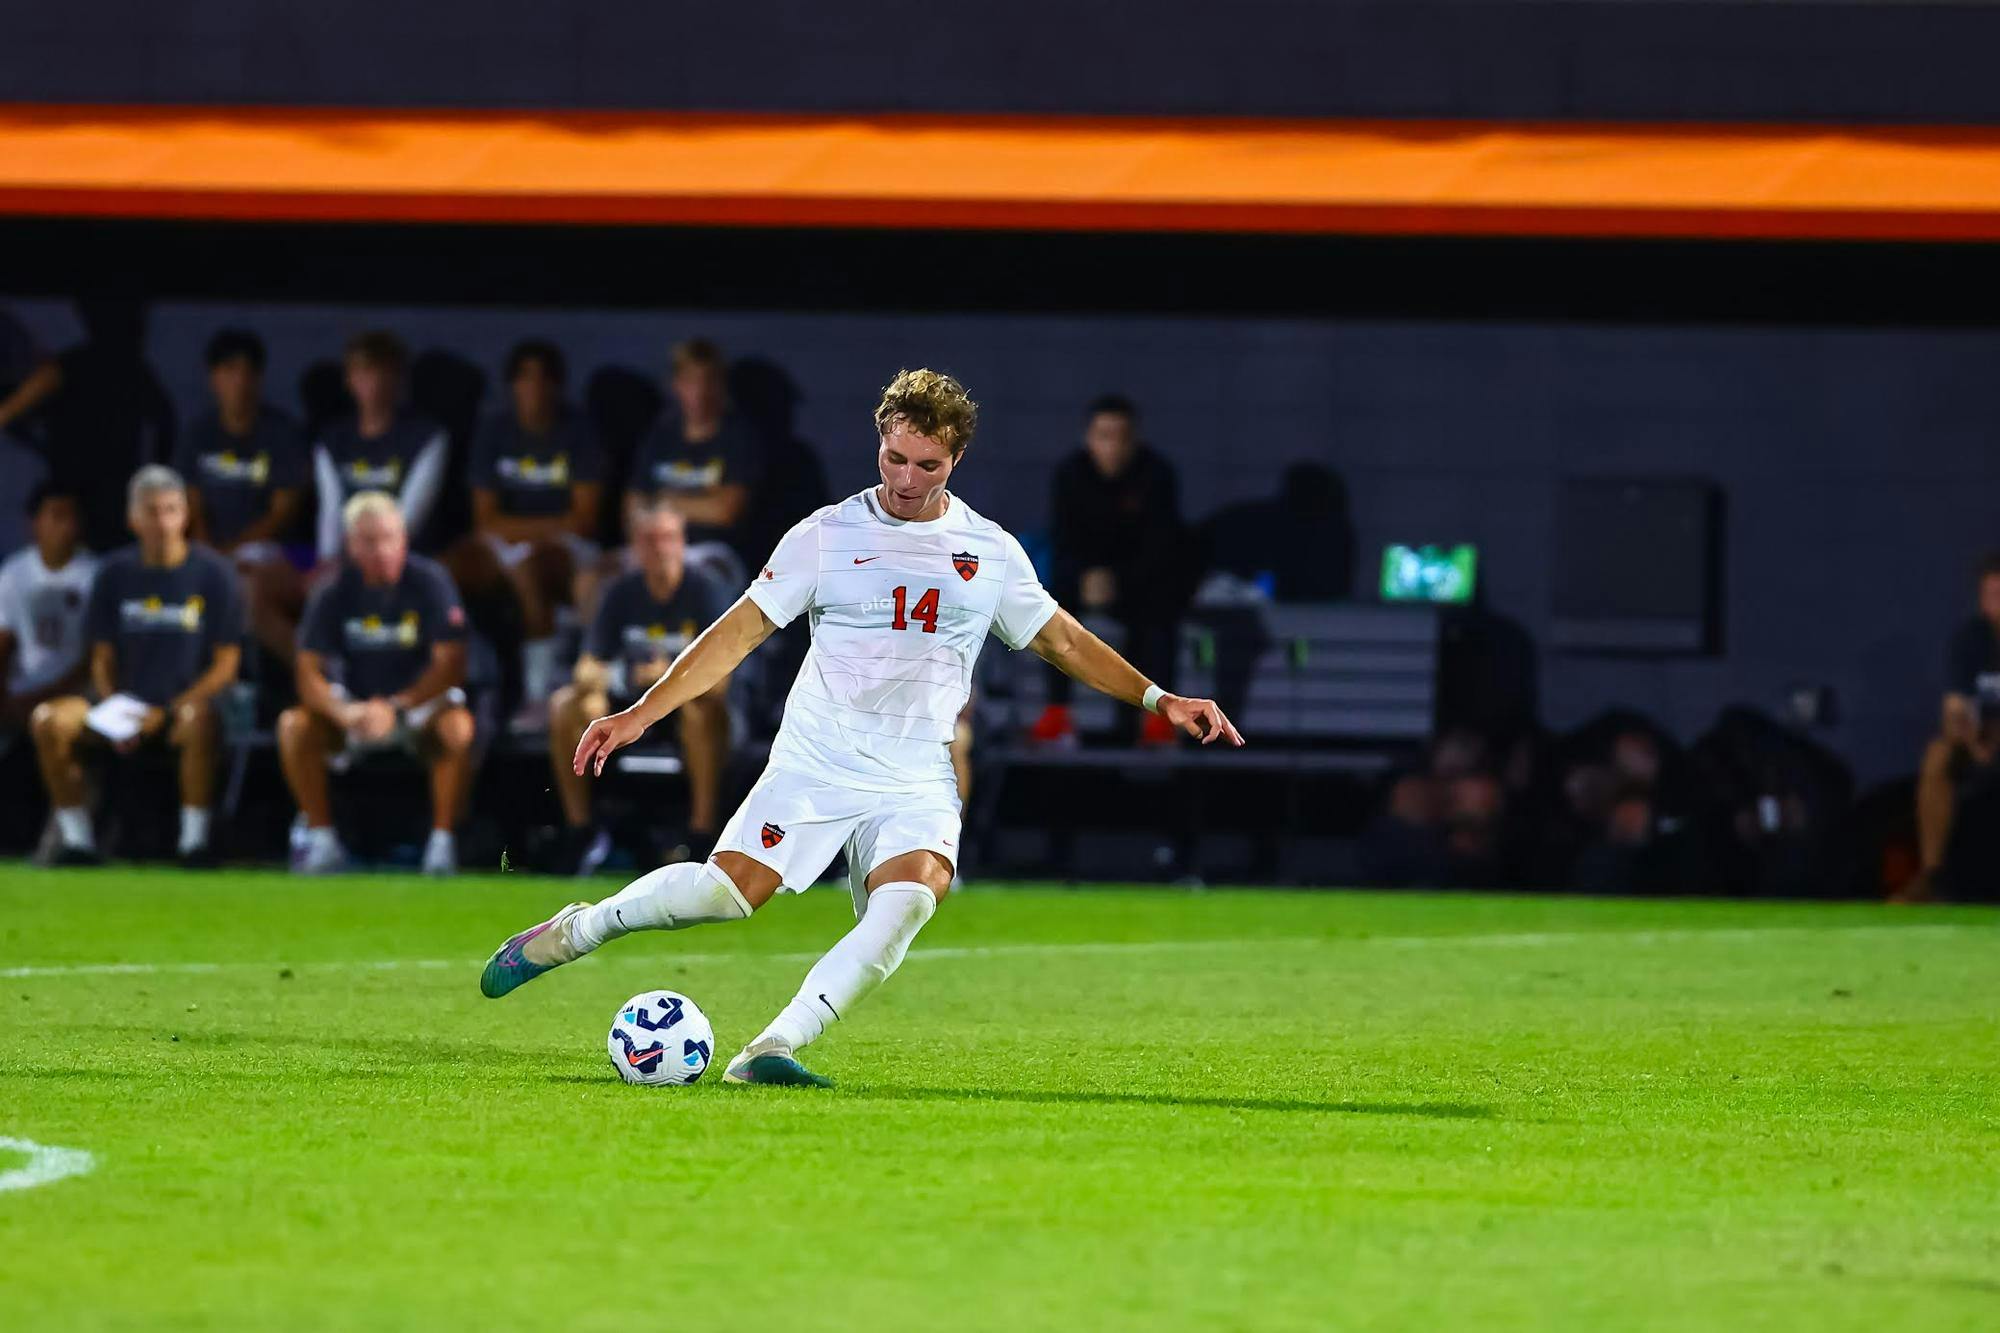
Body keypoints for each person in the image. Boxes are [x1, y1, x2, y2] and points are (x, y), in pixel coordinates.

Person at [480, 369, 1243, 1088]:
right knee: (726, 895)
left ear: (957, 459)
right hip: (818, 759)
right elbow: (738, 632)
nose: (907, 479)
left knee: (911, 900)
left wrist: (1158, 698)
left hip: (914, 772)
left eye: (928, 465)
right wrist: (642, 711)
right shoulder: (825, 534)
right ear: (878, 435)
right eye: (894, 456)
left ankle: (772, 1046)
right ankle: (581, 927)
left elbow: (1063, 640)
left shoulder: (990, 550)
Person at [30, 467, 243, 866]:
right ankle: (78, 843)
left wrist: (166, 712)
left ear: (185, 516)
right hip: (125, 702)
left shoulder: (215, 574)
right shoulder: (113, 574)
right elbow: (102, 656)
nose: (162, 521)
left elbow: (226, 665)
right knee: (48, 721)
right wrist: (117, 711)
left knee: (199, 720)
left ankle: (193, 844)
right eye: (151, 511)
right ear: (133, 519)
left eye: (171, 510)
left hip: (185, 704)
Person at [279, 492, 475, 877]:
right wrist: (343, 711)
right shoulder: (333, 588)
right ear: (351, 545)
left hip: (416, 708)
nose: (382, 550)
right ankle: (321, 842)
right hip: (355, 710)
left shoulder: (430, 580)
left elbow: (451, 664)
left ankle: (441, 844)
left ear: (404, 539)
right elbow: (307, 670)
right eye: (370, 542)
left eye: (390, 539)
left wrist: (397, 706)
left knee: (458, 727)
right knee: (294, 725)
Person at [546, 503, 732, 873]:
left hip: (686, 705)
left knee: (703, 712)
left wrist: (668, 675)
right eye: (649, 540)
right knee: (569, 705)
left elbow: (721, 681)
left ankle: (700, 834)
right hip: (631, 707)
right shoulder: (620, 591)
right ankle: (581, 831)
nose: (660, 548)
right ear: (635, 548)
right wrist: (609, 677)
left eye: (668, 538)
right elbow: (589, 664)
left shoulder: (705, 589)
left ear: (682, 544)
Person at [447, 340, 603, 708]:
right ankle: (463, 675)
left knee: (528, 570)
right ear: (512, 386)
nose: (535, 388)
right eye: (525, 378)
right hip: (513, 537)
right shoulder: (494, 429)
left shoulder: (578, 430)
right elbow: (483, 519)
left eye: (544, 379)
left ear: (557, 385)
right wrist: (524, 531)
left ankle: (538, 693)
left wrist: (518, 531)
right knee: (450, 568)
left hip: (567, 546)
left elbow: (583, 520)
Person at [1028, 395, 1186, 747]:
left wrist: (1120, 580)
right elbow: (1064, 537)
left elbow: (1161, 547)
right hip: (1084, 580)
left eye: (1121, 437)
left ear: (1134, 440)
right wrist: (1086, 576)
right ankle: (1058, 713)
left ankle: (1158, 721)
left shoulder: (1156, 475)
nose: (1112, 446)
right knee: (1050, 605)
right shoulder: (1071, 474)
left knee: (1161, 609)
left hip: (1137, 583)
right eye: (1104, 436)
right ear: (1089, 438)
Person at [175, 328, 311, 665]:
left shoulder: (281, 432)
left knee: (244, 591)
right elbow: (190, 503)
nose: (239, 381)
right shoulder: (197, 433)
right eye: (229, 371)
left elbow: (283, 514)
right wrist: (209, 552)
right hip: (207, 549)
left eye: (247, 372)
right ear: (213, 379)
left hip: (273, 551)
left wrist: (229, 554)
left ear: (259, 378)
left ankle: (319, 675)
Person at [623, 338, 767, 582]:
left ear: (722, 386)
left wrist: (663, 502)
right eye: (691, 381)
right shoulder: (660, 436)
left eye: (709, 381)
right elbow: (632, 507)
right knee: (597, 576)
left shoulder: (738, 437)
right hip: (654, 547)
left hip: (713, 552)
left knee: (692, 578)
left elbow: (725, 510)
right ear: (676, 385)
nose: (700, 392)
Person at [312, 331, 449, 560]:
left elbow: (409, 518)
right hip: (347, 556)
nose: (374, 383)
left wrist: (372, 556)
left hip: (408, 558)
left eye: (383, 372)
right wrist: (327, 563)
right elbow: (330, 512)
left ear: (399, 378)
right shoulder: (332, 440)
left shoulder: (427, 437)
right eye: (364, 372)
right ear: (349, 379)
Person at [1909, 553, 2000, 900]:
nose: (1996, 604)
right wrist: (1972, 738)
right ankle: (1933, 875)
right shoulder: (1971, 639)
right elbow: (1955, 710)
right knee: (1938, 755)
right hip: (1980, 742)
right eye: (1989, 595)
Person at [0, 485, 96, 730]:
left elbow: (96, 656)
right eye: (57, 516)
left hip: (78, 693)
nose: (66, 526)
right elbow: (3, 640)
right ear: (34, 523)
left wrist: (45, 695)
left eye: (71, 516)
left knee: (52, 720)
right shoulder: (13, 572)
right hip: (20, 690)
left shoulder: (98, 575)